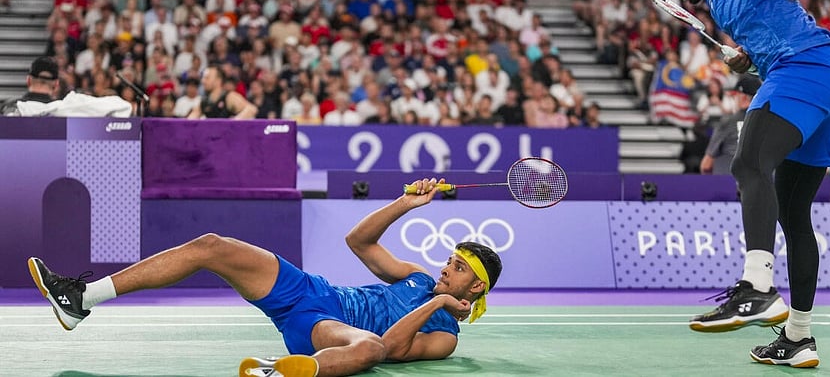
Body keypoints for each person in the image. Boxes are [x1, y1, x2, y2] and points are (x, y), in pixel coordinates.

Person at [28, 177, 502, 377]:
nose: (445, 268)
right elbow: (359, 243)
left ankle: (282, 371)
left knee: (371, 350)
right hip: (314, 291)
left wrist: (438, 305)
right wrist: (405, 204)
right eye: (450, 259)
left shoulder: (445, 335)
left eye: (457, 268)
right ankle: (81, 298)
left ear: (475, 287)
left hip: (328, 330)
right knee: (212, 246)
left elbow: (396, 348)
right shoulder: (418, 277)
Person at [651, 0, 830, 368]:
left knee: (747, 164)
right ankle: (798, 337)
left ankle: (757, 288)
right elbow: (771, 19)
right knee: (792, 213)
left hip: (804, 68)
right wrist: (747, 57)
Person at [700, 75, 762, 175]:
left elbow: (706, 165)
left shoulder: (728, 121)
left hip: (729, 180)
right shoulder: (769, 123)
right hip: (760, 182)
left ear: (743, 97)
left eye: (735, 96)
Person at [186, 65, 258, 119]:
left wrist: (233, 123)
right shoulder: (204, 101)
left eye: (207, 78)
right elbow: (191, 119)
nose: (203, 81)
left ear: (218, 80)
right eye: (203, 78)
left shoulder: (229, 97)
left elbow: (251, 109)